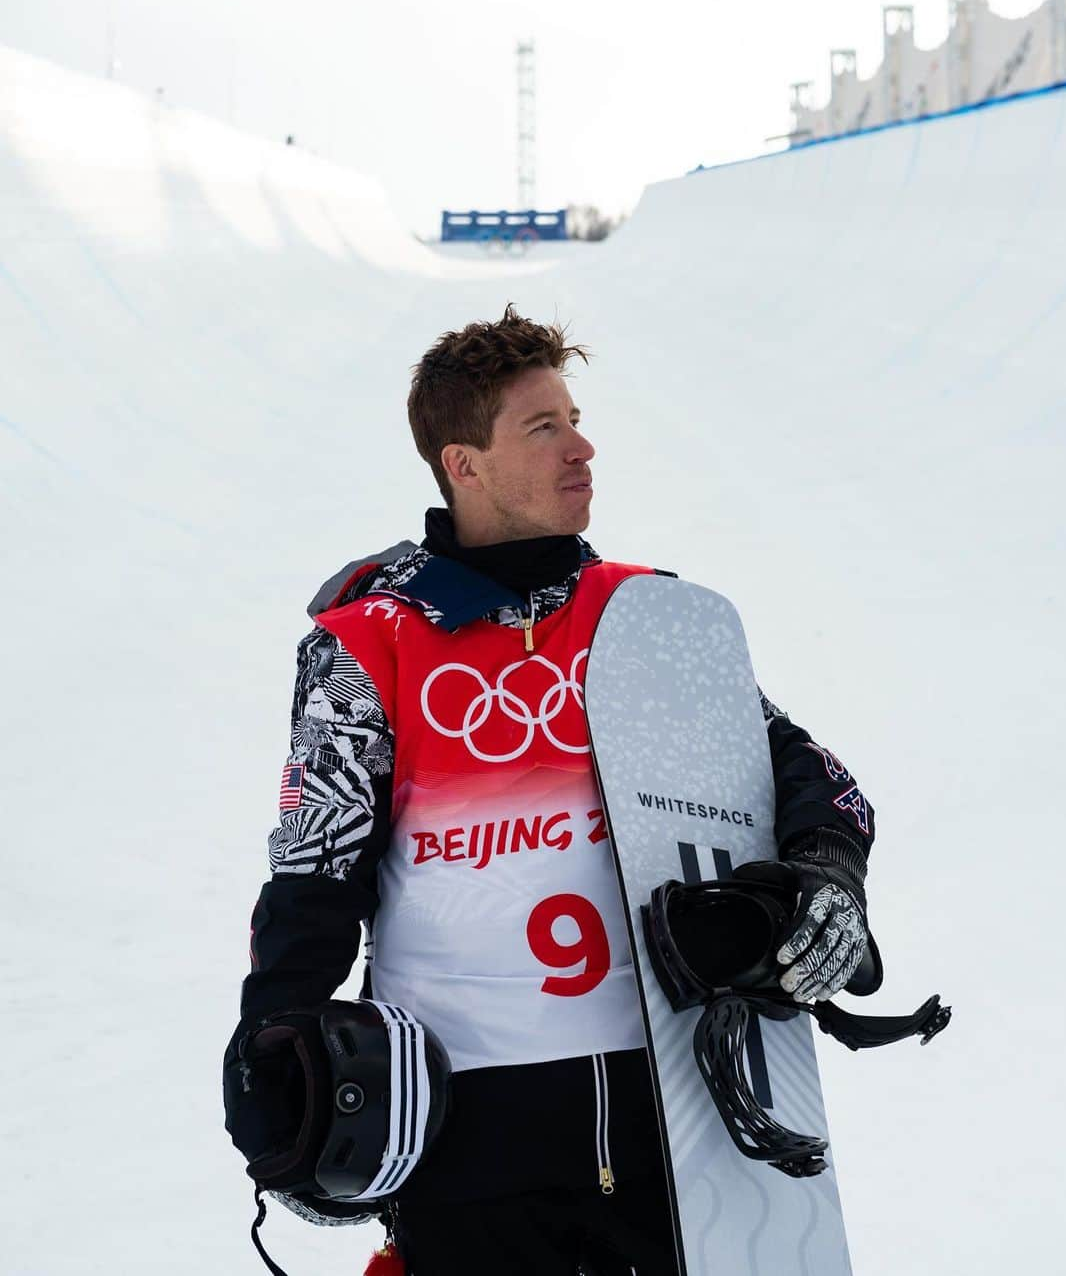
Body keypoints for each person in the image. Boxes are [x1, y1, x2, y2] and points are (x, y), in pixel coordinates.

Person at [225, 304, 877, 1276]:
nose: (583, 447)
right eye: (545, 427)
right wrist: (273, 1029)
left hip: (677, 1128)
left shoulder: (648, 618)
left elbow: (819, 780)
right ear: (464, 462)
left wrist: (827, 872)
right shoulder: (367, 644)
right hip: (464, 1138)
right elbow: (316, 871)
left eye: (575, 419)